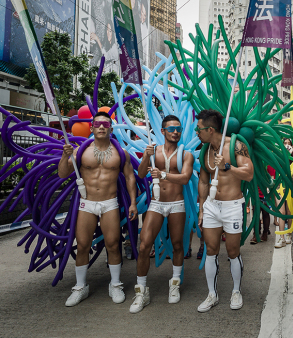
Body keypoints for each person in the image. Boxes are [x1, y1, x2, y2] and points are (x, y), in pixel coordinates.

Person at [59, 112, 138, 307]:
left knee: (113, 243)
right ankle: (80, 287)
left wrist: (133, 202)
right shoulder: (79, 152)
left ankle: (116, 284)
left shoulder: (122, 153)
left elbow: (130, 177)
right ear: (91, 128)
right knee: (83, 244)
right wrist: (64, 155)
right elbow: (62, 173)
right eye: (97, 124)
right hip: (87, 204)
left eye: (105, 124)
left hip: (110, 202)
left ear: (111, 128)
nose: (101, 127)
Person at [129, 115, 195, 313]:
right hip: (156, 204)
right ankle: (141, 292)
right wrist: (145, 157)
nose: (176, 131)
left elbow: (184, 179)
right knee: (144, 246)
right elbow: (141, 174)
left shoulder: (186, 154)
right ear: (163, 131)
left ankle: (174, 284)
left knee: (177, 245)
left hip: (177, 204)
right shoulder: (153, 151)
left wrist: (163, 174)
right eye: (171, 128)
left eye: (178, 128)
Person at [195, 110, 254, 312]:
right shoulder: (205, 150)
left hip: (232, 206)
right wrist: (202, 208)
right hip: (212, 206)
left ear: (210, 129)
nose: (196, 132)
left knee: (232, 251)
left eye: (199, 128)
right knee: (210, 251)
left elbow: (249, 173)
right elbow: (203, 181)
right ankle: (212, 294)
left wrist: (228, 167)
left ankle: (236, 291)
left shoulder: (236, 145)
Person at [274, 139, 293, 248]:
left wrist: (291, 155)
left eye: (289, 143)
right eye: (285, 143)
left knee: (289, 211)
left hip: (289, 186)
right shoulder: (278, 155)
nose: (287, 145)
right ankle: (281, 237)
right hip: (279, 186)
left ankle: (289, 235)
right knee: (281, 211)